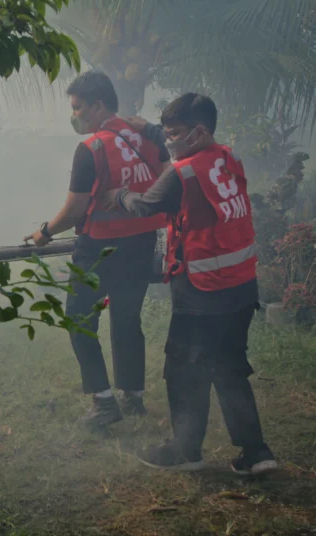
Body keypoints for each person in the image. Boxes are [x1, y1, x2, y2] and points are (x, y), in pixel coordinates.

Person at [102, 93, 278, 475]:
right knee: (229, 365)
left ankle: (185, 451)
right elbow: (177, 142)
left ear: (198, 133)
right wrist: (147, 129)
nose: (169, 142)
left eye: (174, 134)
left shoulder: (182, 173)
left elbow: (145, 205)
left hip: (202, 289)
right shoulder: (227, 156)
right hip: (242, 284)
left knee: (185, 368)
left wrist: (119, 194)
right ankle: (256, 452)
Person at [24, 71, 170, 429]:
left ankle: (104, 403)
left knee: (78, 318)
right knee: (126, 318)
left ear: (98, 105)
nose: (75, 116)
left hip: (99, 248)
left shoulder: (91, 149)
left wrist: (44, 232)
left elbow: (76, 208)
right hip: (141, 242)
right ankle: (132, 396)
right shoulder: (148, 138)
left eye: (78, 108)